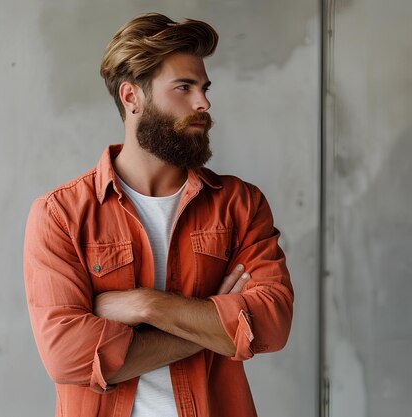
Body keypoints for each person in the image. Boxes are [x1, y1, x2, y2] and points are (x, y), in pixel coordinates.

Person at [23, 13, 293, 417]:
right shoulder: (60, 214)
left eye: (203, 88)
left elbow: (271, 325)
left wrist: (147, 305)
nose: (203, 103)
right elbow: (67, 357)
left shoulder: (240, 204)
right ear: (132, 97)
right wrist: (218, 321)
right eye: (183, 87)